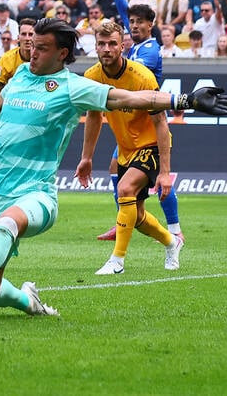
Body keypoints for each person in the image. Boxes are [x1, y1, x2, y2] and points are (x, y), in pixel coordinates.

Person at [0, 18, 227, 318]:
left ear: (62, 54)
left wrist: (185, 100)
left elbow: (129, 97)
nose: (33, 53)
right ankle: (29, 302)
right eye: (31, 46)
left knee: (8, 225)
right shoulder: (20, 75)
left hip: (36, 195)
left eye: (42, 48)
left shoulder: (73, 87)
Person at [78, 21, 183, 275]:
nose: (107, 49)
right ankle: (172, 242)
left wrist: (165, 172)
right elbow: (94, 116)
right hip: (126, 149)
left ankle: (117, 261)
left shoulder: (142, 77)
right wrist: (86, 158)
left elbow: (161, 122)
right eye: (101, 44)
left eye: (112, 43)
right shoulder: (92, 77)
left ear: (122, 45)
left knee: (124, 188)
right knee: (135, 217)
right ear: (95, 46)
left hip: (152, 145)